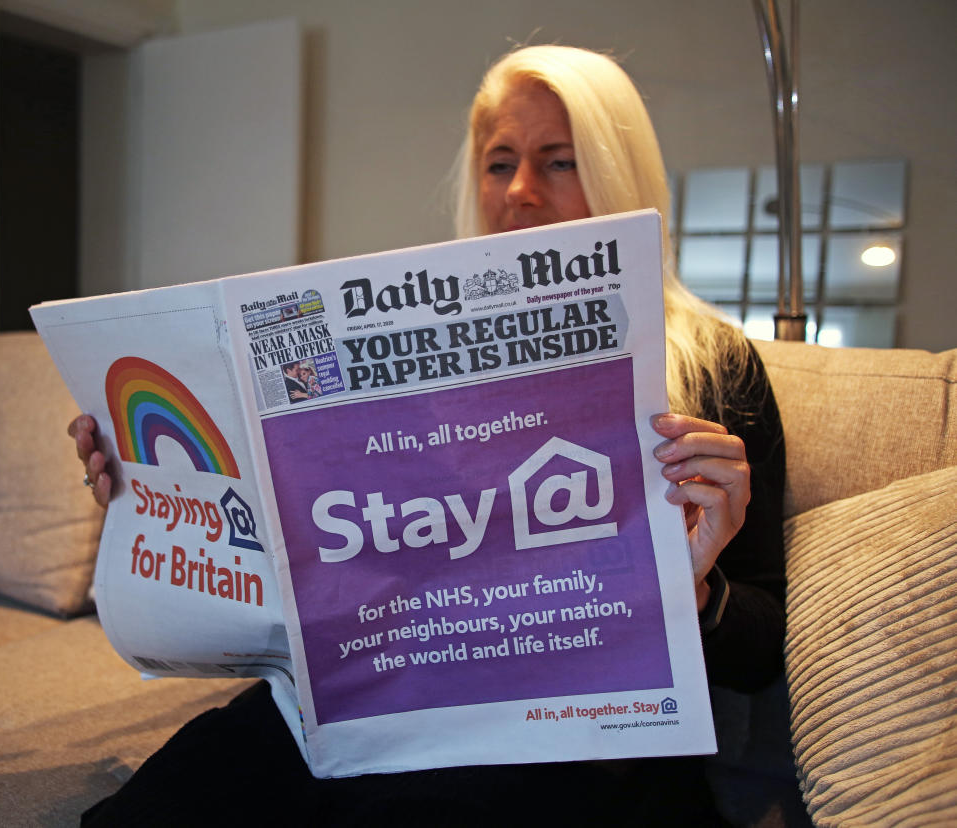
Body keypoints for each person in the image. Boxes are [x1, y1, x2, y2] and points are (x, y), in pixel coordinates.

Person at [71, 43, 785, 825]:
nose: (519, 190)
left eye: (558, 161)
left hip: (573, 727)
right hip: (384, 686)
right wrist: (161, 489)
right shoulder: (408, 346)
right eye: (499, 161)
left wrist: (694, 582)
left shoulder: (713, 364)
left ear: (617, 170)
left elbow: (759, 651)